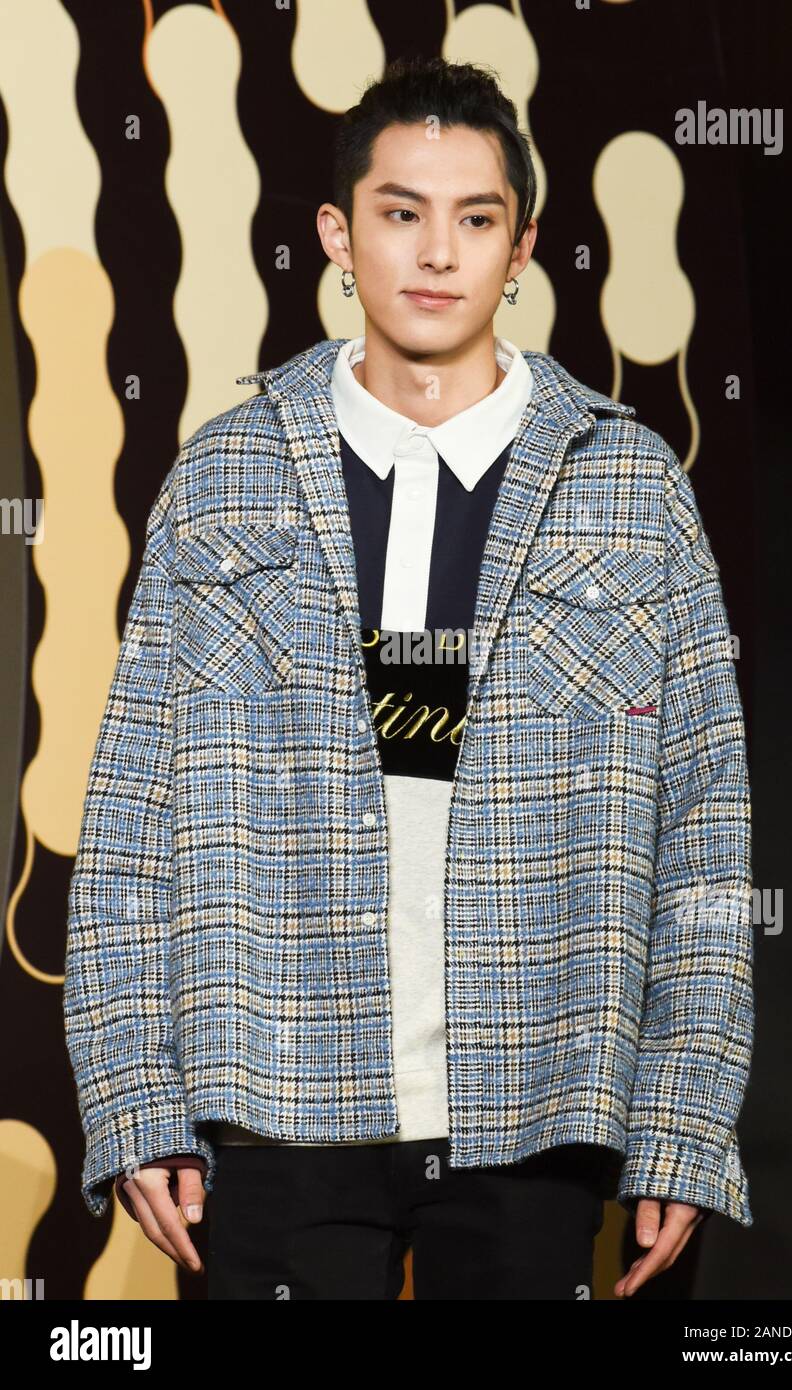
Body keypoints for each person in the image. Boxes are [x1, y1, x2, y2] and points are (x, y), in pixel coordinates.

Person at [64, 56, 754, 1301]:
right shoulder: (223, 478)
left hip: (540, 1091)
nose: (437, 252)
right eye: (401, 212)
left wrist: (687, 1115)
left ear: (523, 246)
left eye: (474, 218)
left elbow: (704, 833)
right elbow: (127, 826)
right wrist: (132, 1093)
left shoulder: (636, 490)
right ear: (337, 234)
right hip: (273, 1092)